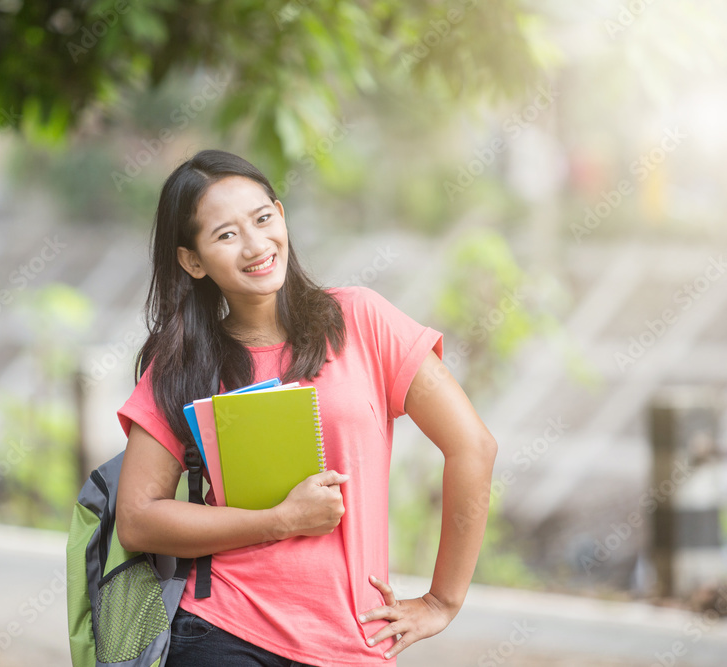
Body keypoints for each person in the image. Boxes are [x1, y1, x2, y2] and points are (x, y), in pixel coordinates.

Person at [115, 149, 497, 666]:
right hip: (223, 629)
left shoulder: (360, 320)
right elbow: (138, 520)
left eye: (263, 218)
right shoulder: (184, 361)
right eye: (226, 235)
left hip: (353, 640)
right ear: (193, 260)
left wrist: (441, 600)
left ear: (281, 214)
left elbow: (473, 446)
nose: (255, 245)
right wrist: (279, 519)